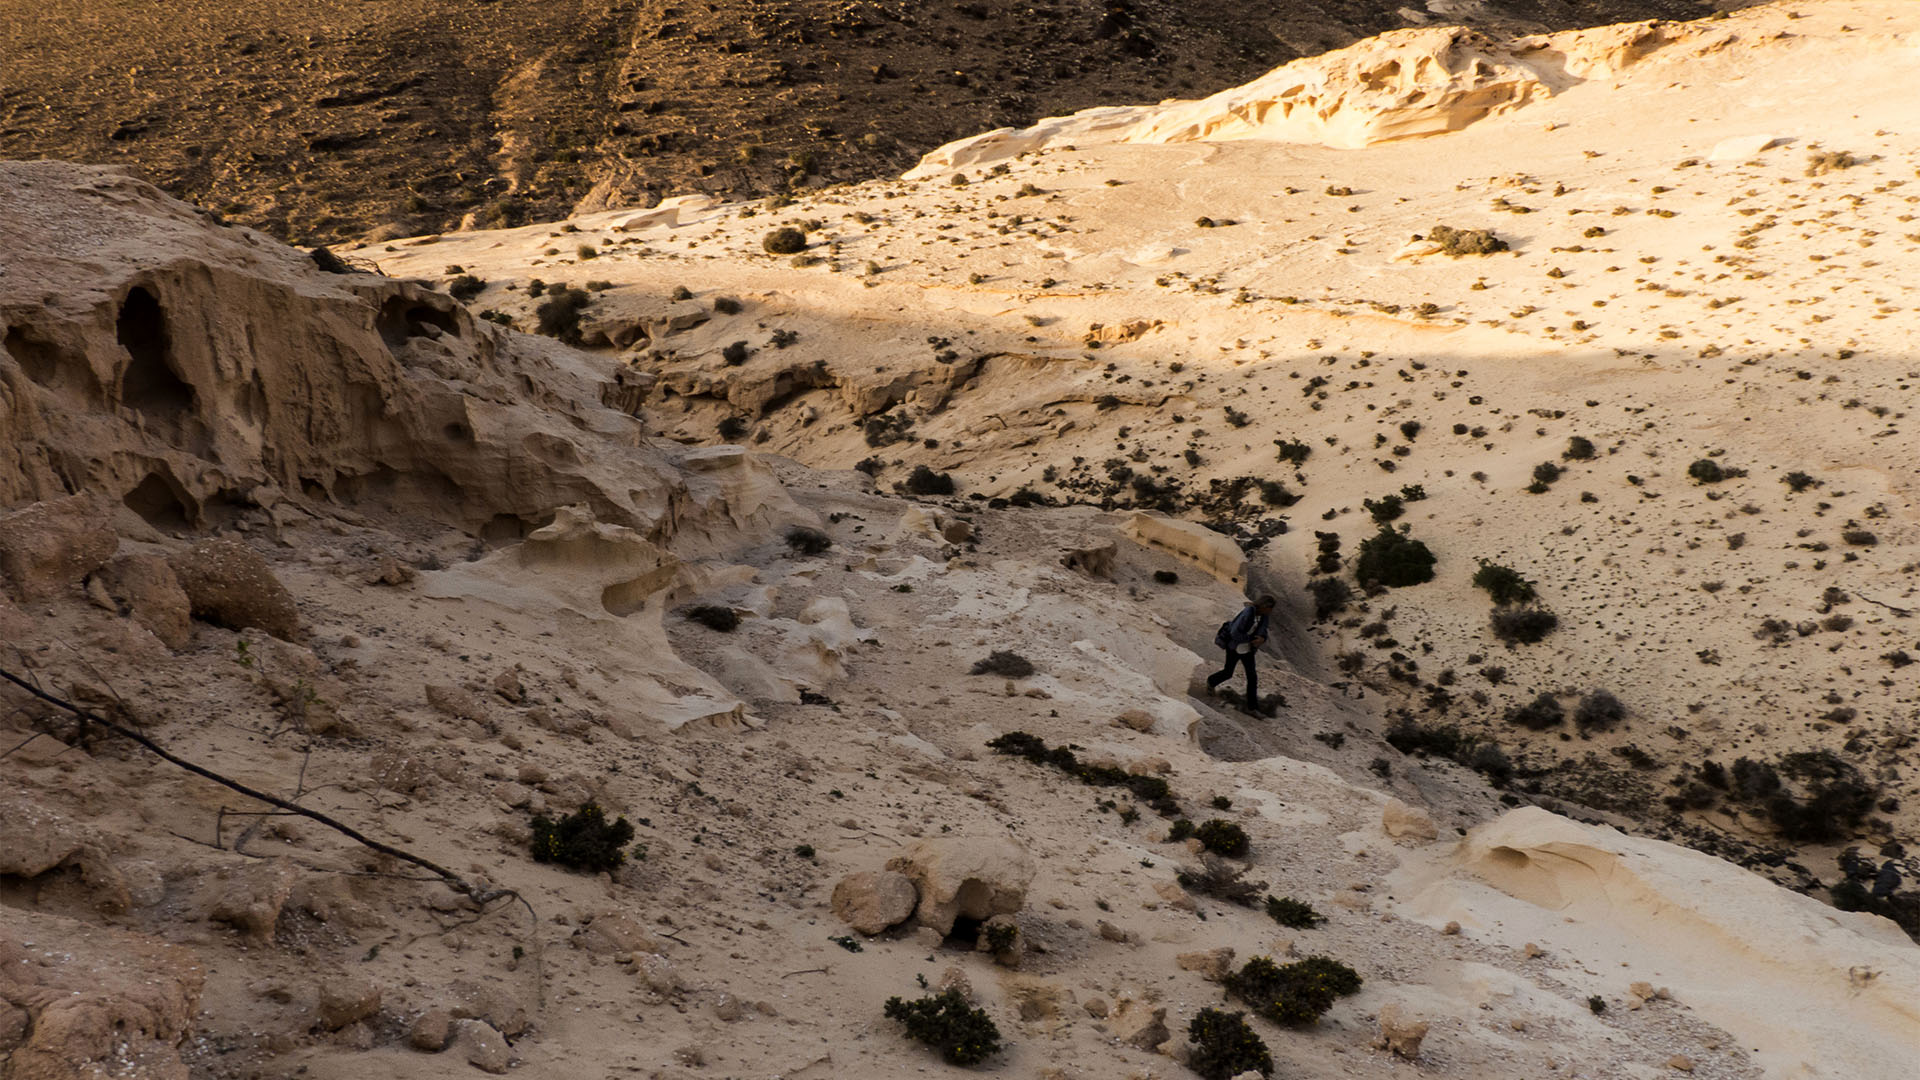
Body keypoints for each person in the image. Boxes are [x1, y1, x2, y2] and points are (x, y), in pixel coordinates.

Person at [1207, 596, 1276, 715]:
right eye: (1270, 608)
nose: (1271, 611)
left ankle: (1251, 708)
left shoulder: (1264, 616)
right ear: (1264, 606)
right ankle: (1211, 681)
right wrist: (1250, 639)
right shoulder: (1248, 612)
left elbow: (1263, 630)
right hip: (1234, 647)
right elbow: (1234, 632)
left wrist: (1262, 639)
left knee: (1252, 677)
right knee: (1228, 672)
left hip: (1248, 649)